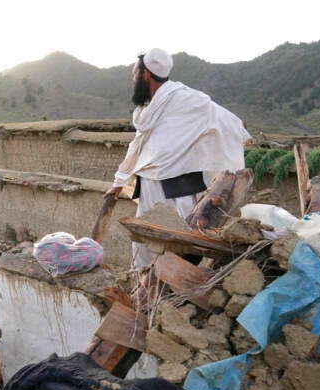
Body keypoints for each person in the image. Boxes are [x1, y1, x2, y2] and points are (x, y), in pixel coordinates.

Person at [105, 48, 251, 268]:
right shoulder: (148, 109)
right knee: (144, 245)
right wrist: (118, 184)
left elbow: (229, 121)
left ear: (145, 75)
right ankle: (144, 293)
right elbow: (138, 145)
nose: (133, 79)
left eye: (135, 74)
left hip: (179, 188)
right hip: (150, 185)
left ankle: (173, 297)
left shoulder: (186, 99)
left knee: (177, 247)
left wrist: (219, 151)